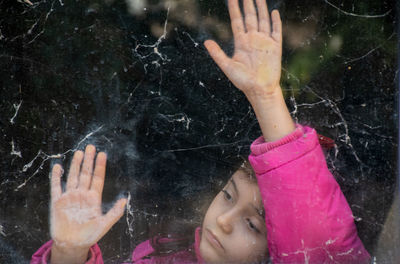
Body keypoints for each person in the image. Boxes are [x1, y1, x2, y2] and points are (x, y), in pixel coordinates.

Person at [31, 0, 371, 263]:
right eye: (227, 194)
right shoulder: (158, 253)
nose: (223, 219)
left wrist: (266, 97)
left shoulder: (308, 245)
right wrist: (69, 252)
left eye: (253, 225)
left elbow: (312, 239)